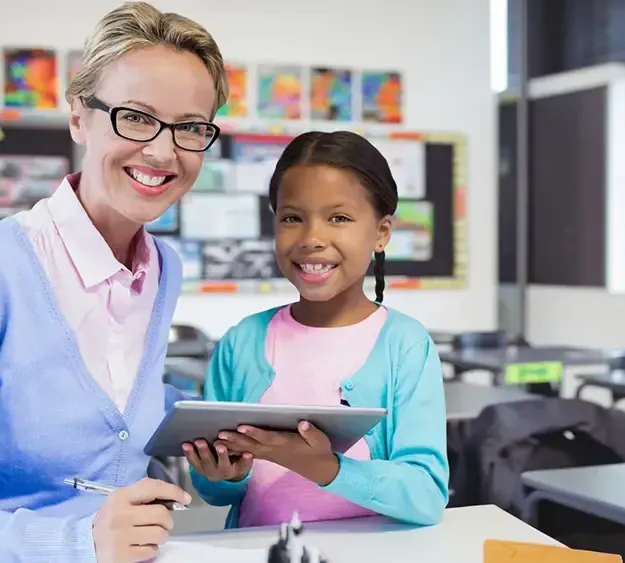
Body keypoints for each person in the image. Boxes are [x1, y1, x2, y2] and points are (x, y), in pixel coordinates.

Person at [0, 3, 229, 562]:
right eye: (135, 117)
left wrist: (217, 431)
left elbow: (112, 405)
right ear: (79, 117)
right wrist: (76, 542)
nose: (161, 150)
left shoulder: (162, 267)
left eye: (191, 127)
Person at [183, 131, 449, 529]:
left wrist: (325, 468)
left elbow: (426, 496)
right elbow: (215, 492)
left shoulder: (405, 345)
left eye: (338, 218)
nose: (311, 239)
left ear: (381, 233)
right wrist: (227, 473)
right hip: (263, 551)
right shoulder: (242, 342)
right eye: (292, 218)